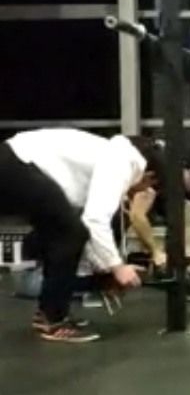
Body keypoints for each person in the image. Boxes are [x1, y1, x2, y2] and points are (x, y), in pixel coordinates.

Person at [0, 127, 165, 343]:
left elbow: (87, 229)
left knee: (65, 233)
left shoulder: (113, 156)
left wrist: (106, 273)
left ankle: (50, 314)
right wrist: (117, 268)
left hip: (16, 161)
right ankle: (52, 319)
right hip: (17, 162)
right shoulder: (124, 162)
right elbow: (94, 221)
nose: (142, 192)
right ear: (149, 175)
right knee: (70, 234)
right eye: (148, 187)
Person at [124, 161, 190, 301]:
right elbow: (136, 216)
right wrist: (156, 252)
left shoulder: (183, 191)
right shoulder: (160, 176)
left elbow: (186, 225)